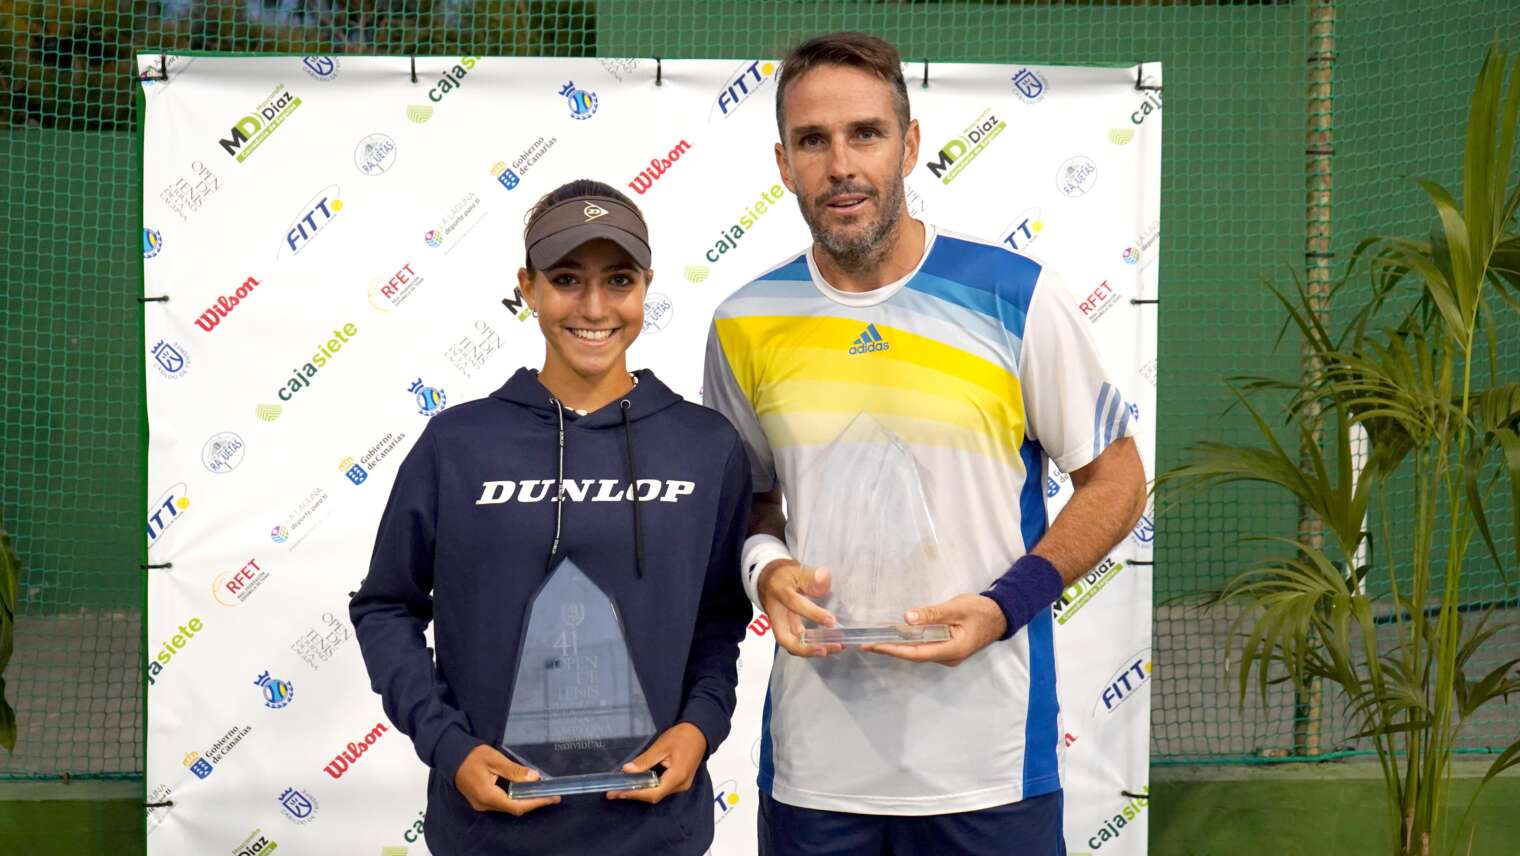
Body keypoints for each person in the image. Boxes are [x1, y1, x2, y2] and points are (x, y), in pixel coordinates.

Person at [702, 32, 1148, 856]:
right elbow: (751, 504)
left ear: (909, 145)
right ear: (783, 162)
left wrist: (1004, 605)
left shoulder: (1015, 298)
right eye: (813, 140)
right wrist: (768, 572)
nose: (841, 164)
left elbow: (1117, 480)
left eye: (865, 134)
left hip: (991, 768)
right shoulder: (742, 322)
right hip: (816, 775)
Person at [352, 179, 753, 855]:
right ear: (528, 287)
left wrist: (699, 729)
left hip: (657, 833)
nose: (594, 307)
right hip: (492, 834)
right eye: (567, 279)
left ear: (647, 286)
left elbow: (719, 617)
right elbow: (385, 607)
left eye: (618, 280)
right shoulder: (458, 445)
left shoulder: (707, 446)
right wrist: (449, 746)